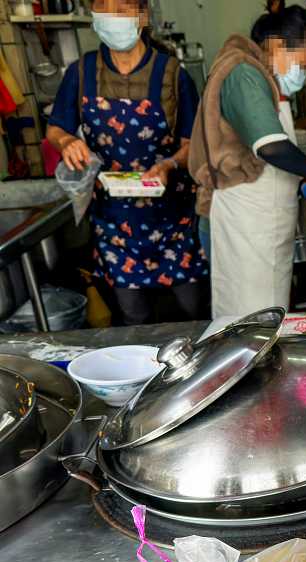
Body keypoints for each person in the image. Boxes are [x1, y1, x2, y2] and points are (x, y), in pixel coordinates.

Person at [46, 0, 206, 326]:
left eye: (121, 9)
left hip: (173, 218)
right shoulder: (81, 72)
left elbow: (194, 144)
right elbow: (55, 129)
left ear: (142, 16)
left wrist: (170, 165)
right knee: (133, 315)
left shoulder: (173, 74)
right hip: (113, 221)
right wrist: (66, 142)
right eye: (103, 8)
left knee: (194, 310)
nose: (111, 18)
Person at [189, 1, 306, 318]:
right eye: (304, 63)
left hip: (260, 224)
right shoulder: (243, 73)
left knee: (266, 316)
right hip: (242, 220)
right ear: (277, 46)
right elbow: (271, 148)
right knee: (246, 320)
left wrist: (302, 183)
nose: (304, 73)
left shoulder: (262, 79)